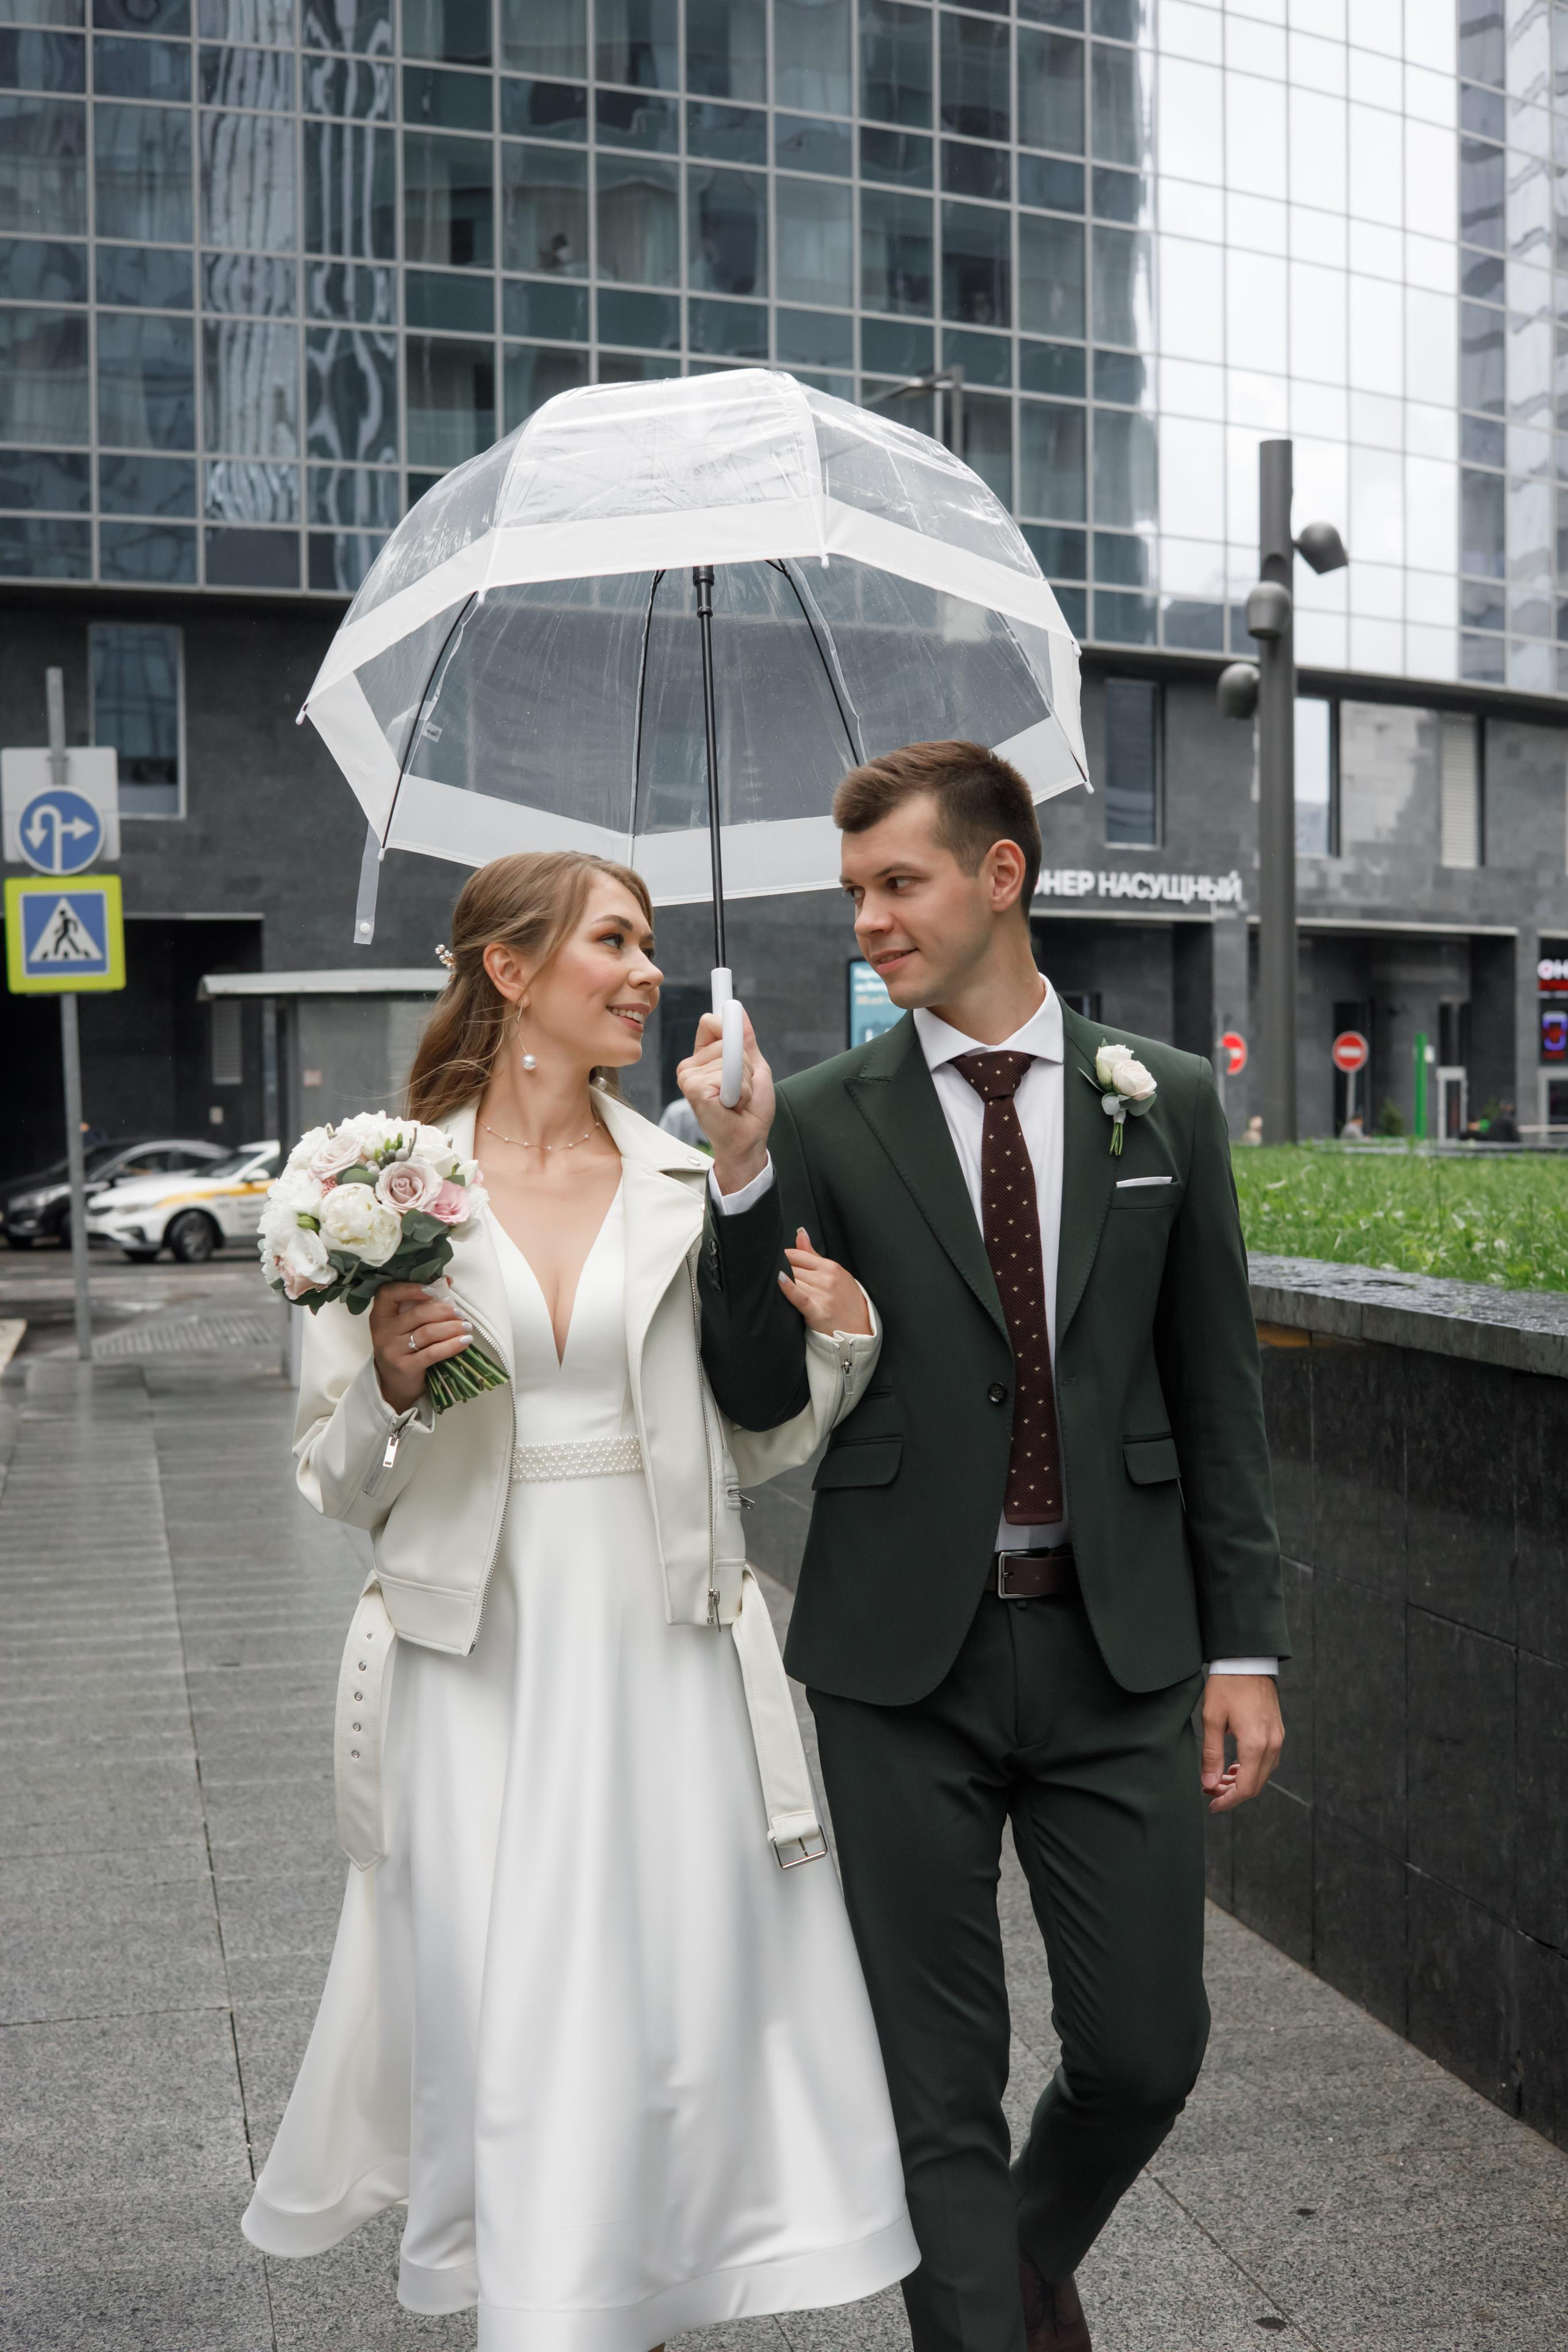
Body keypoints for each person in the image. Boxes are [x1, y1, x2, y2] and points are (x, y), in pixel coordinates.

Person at [243, 851, 918, 2346]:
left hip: (661, 1633)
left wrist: (839, 1342)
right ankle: (548, 2302)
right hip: (476, 1650)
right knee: (519, 1990)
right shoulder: (377, 1188)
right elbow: (333, 1478)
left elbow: (742, 1443)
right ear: (508, 969)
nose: (645, 973)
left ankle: (627, 2284)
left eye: (650, 942)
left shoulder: (684, 1179)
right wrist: (394, 1387)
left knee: (663, 1991)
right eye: (612, 941)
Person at [682, 742, 1288, 2352]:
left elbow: (1215, 1394)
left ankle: (1008, 2269)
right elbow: (752, 1391)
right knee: (934, 2084)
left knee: (1144, 2053)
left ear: (999, 874)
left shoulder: (1162, 1097)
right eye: (854, 892)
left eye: (900, 883)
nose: (869, 921)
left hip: (1120, 1647)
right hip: (900, 1660)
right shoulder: (817, 1118)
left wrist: (1244, 1646)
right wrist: (736, 1175)